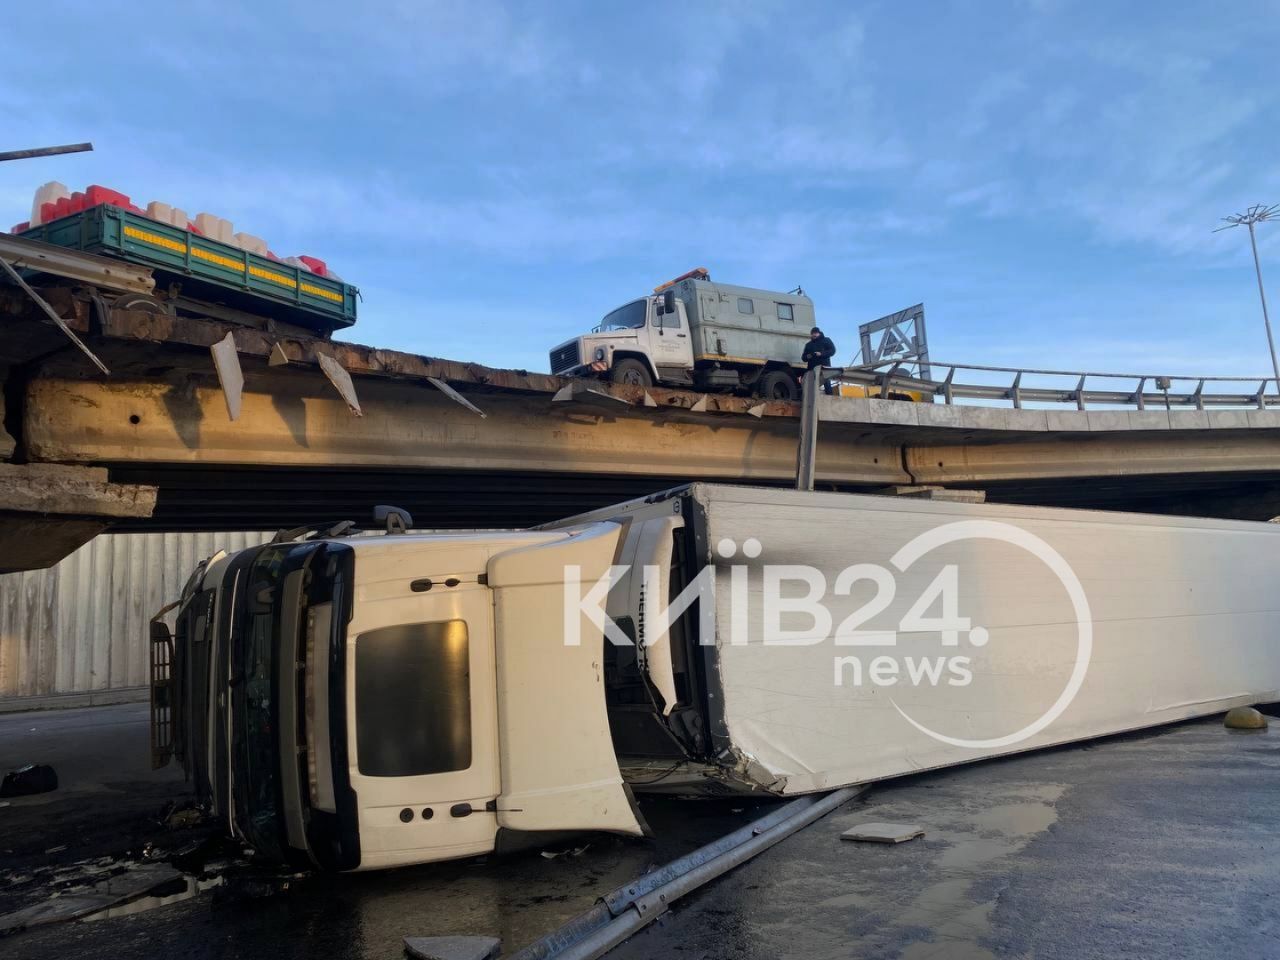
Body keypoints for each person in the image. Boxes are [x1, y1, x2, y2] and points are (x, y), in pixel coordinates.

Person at [801, 326, 837, 394]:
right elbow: (803, 358)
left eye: (815, 333)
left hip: (824, 368)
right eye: (812, 333)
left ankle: (829, 397)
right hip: (812, 369)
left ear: (819, 333)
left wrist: (821, 354)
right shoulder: (808, 345)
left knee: (827, 383)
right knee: (812, 386)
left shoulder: (826, 340)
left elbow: (833, 350)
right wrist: (809, 356)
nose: (814, 334)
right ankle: (812, 399)